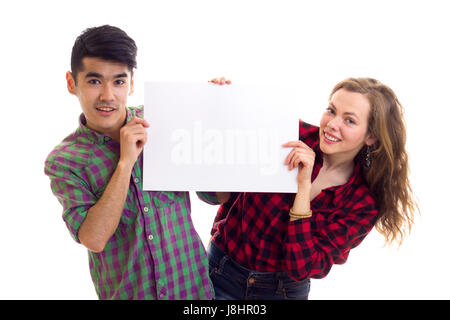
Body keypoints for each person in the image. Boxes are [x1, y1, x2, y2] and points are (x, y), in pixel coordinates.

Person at [44, 25, 225, 300]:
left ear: (131, 83)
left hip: (194, 294)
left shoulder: (163, 120)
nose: (107, 96)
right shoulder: (65, 161)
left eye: (118, 81)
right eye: (94, 81)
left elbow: (214, 196)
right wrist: (125, 162)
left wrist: (221, 118)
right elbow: (93, 238)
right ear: (72, 83)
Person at [207, 77, 418, 300]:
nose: (332, 124)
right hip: (221, 272)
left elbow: (303, 267)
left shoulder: (363, 204)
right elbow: (232, 139)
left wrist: (303, 188)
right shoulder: (289, 135)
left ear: (371, 136)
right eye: (331, 110)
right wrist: (222, 101)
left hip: (282, 292)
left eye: (349, 121)